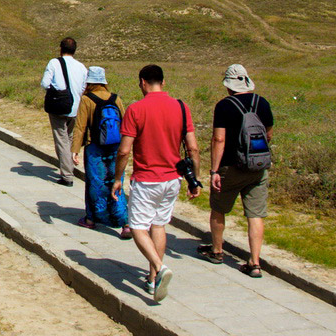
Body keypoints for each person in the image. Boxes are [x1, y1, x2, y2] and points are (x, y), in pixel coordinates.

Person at [111, 64, 200, 303]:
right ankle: (152, 280)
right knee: (159, 226)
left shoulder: (136, 109)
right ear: (163, 81)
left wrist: (117, 178)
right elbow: (192, 146)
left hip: (147, 178)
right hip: (173, 179)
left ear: (142, 82)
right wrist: (196, 179)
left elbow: (124, 151)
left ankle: (160, 268)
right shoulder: (181, 107)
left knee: (138, 227)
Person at [198, 64, 274, 278]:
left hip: (230, 167)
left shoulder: (224, 106)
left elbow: (218, 139)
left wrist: (214, 170)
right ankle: (255, 262)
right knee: (255, 214)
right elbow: (268, 135)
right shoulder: (262, 103)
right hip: (258, 168)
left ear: (228, 86)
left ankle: (217, 250)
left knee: (218, 208)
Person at [72, 66, 132, 238]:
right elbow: (124, 122)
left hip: (94, 148)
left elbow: (80, 127)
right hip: (116, 146)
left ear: (89, 81)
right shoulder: (116, 98)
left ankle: (91, 219)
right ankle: (125, 222)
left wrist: (75, 150)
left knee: (95, 183)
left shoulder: (87, 99)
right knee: (117, 181)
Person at [41, 37, 88, 186]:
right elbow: (83, 88)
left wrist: (55, 92)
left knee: (61, 140)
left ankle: (67, 176)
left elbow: (45, 83)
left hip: (58, 107)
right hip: (75, 108)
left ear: (61, 48)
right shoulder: (81, 67)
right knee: (68, 137)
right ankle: (70, 164)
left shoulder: (54, 63)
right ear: (75, 50)